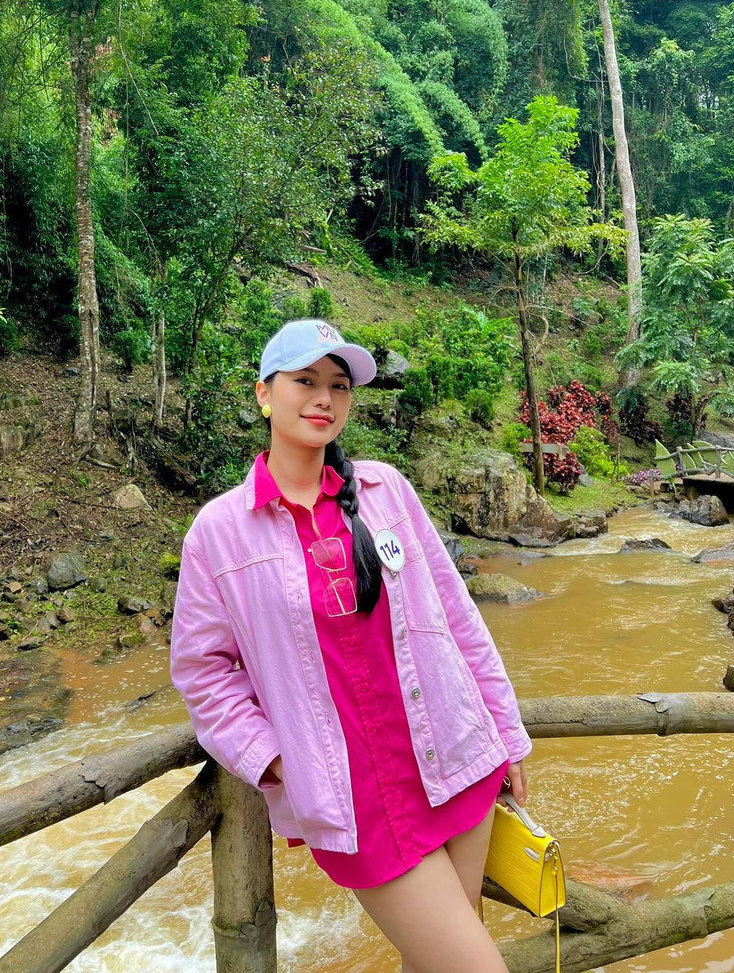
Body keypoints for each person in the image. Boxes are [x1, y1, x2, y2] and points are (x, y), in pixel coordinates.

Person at [170, 319, 532, 973]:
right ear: (264, 394)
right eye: (305, 381)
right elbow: (203, 673)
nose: (324, 398)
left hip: (454, 757)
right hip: (357, 803)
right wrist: (276, 762)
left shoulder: (385, 491)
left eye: (339, 385)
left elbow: (456, 615)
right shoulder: (219, 533)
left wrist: (506, 734)